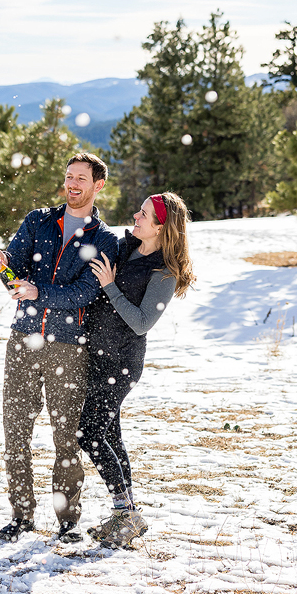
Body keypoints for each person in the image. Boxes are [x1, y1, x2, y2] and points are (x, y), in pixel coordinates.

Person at [0, 153, 119, 543]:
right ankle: (21, 516)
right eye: (69, 176)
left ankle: (68, 521)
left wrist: (37, 292)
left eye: (81, 179)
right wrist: (3, 266)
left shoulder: (103, 239)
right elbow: (16, 275)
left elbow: (84, 293)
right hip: (23, 340)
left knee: (66, 436)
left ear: (98, 185)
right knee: (15, 431)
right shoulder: (38, 221)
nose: (72, 184)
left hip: (68, 348)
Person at [77, 191, 196, 548]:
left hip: (121, 364)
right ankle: (125, 516)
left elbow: (142, 323)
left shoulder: (164, 273)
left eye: (144, 214)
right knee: (110, 434)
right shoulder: (127, 247)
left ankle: (125, 513)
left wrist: (110, 286)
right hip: (97, 357)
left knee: (88, 433)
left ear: (161, 227)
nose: (136, 216)